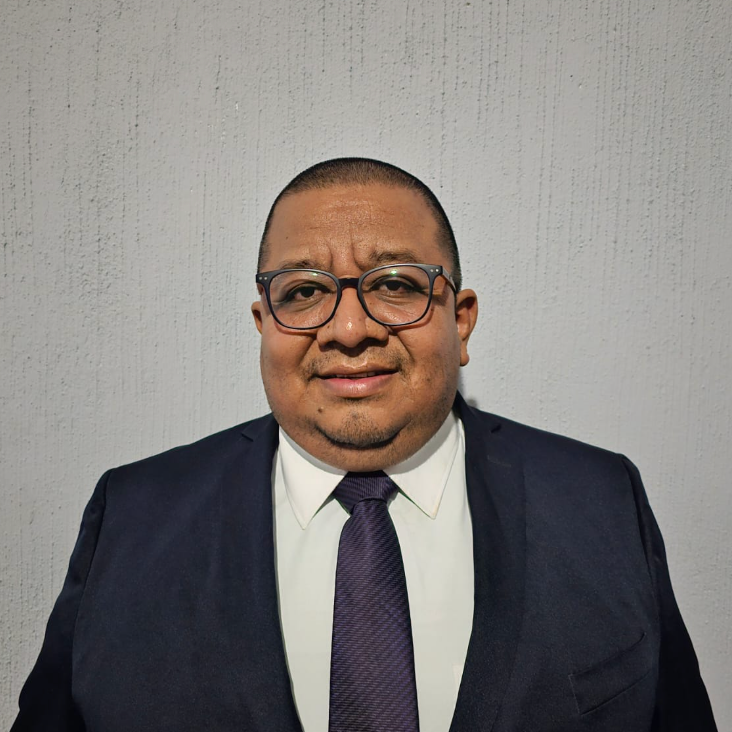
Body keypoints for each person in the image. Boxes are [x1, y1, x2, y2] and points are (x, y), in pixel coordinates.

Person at [11, 158, 717, 732]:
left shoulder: (601, 501)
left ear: (461, 320)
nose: (349, 330)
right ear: (263, 322)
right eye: (303, 293)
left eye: (395, 284)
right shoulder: (133, 517)